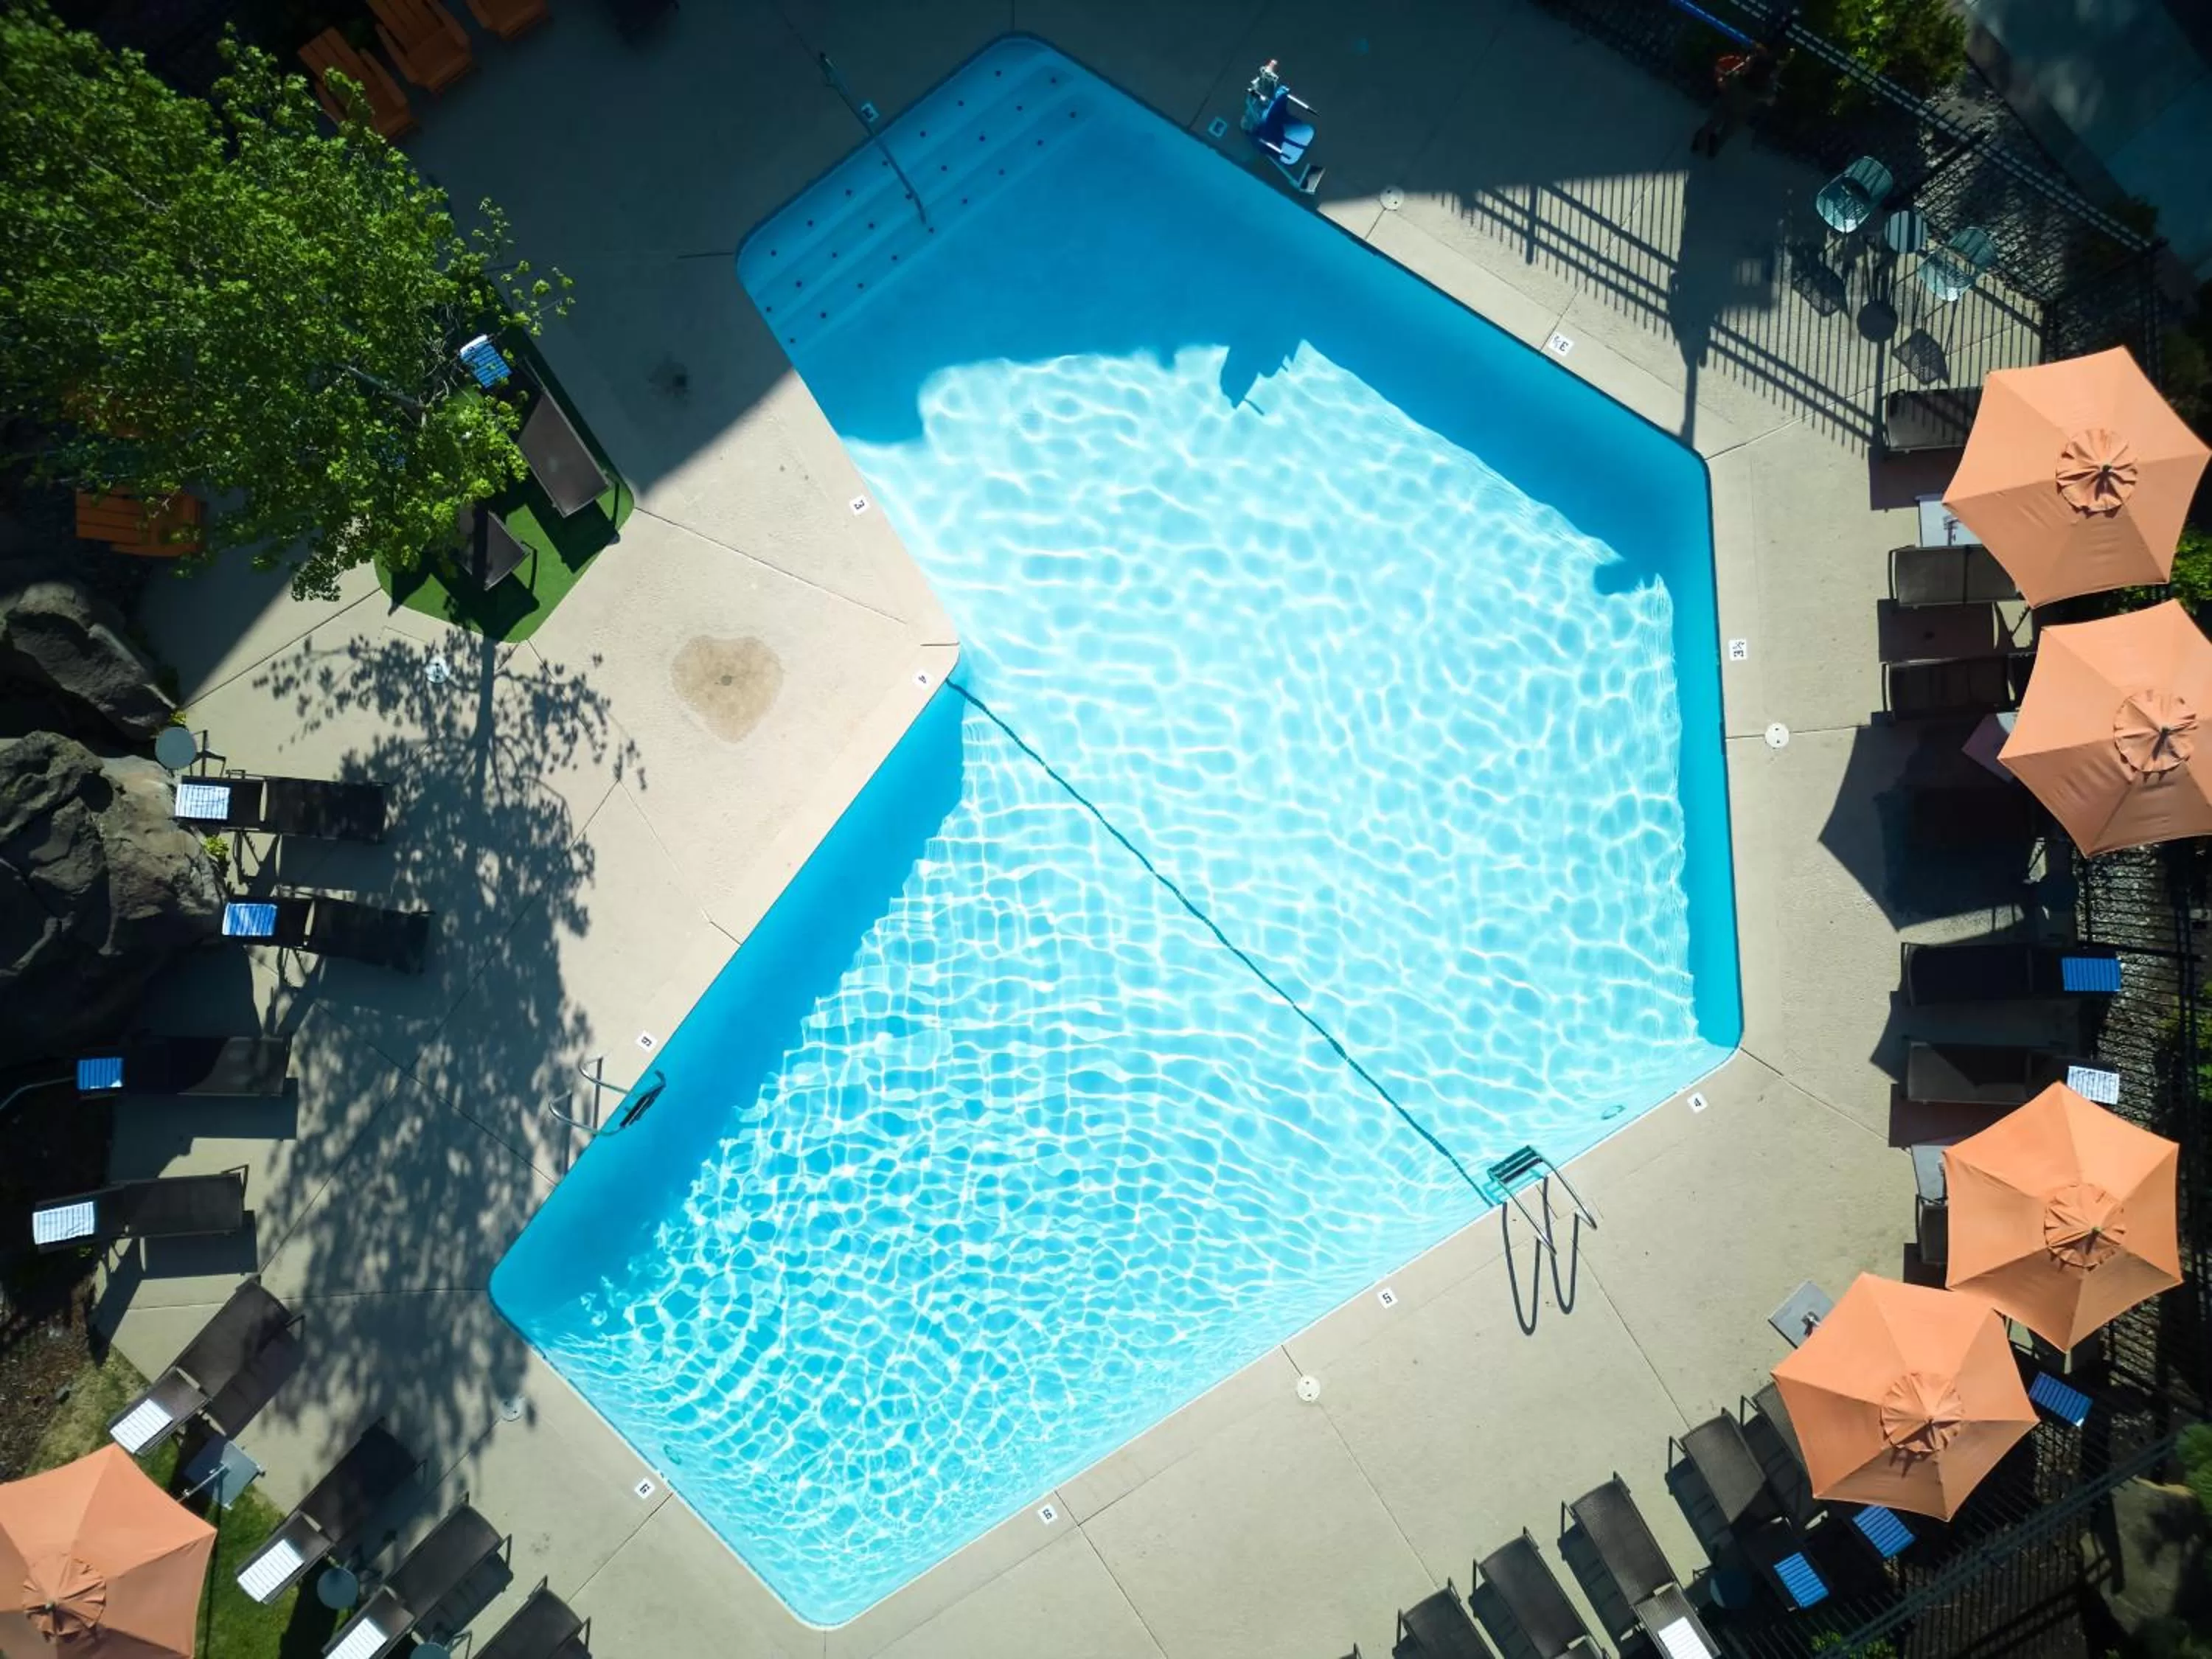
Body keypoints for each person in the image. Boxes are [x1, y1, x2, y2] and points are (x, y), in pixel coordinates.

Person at [1691, 40, 1777, 156]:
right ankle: (1713, 151)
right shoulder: (1766, 86)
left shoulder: (1738, 79)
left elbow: (1725, 81)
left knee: (1712, 124)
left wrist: (1723, 79)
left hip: (1726, 103)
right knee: (1726, 133)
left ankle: (1699, 144)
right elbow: (1771, 101)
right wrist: (1759, 98)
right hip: (1742, 111)